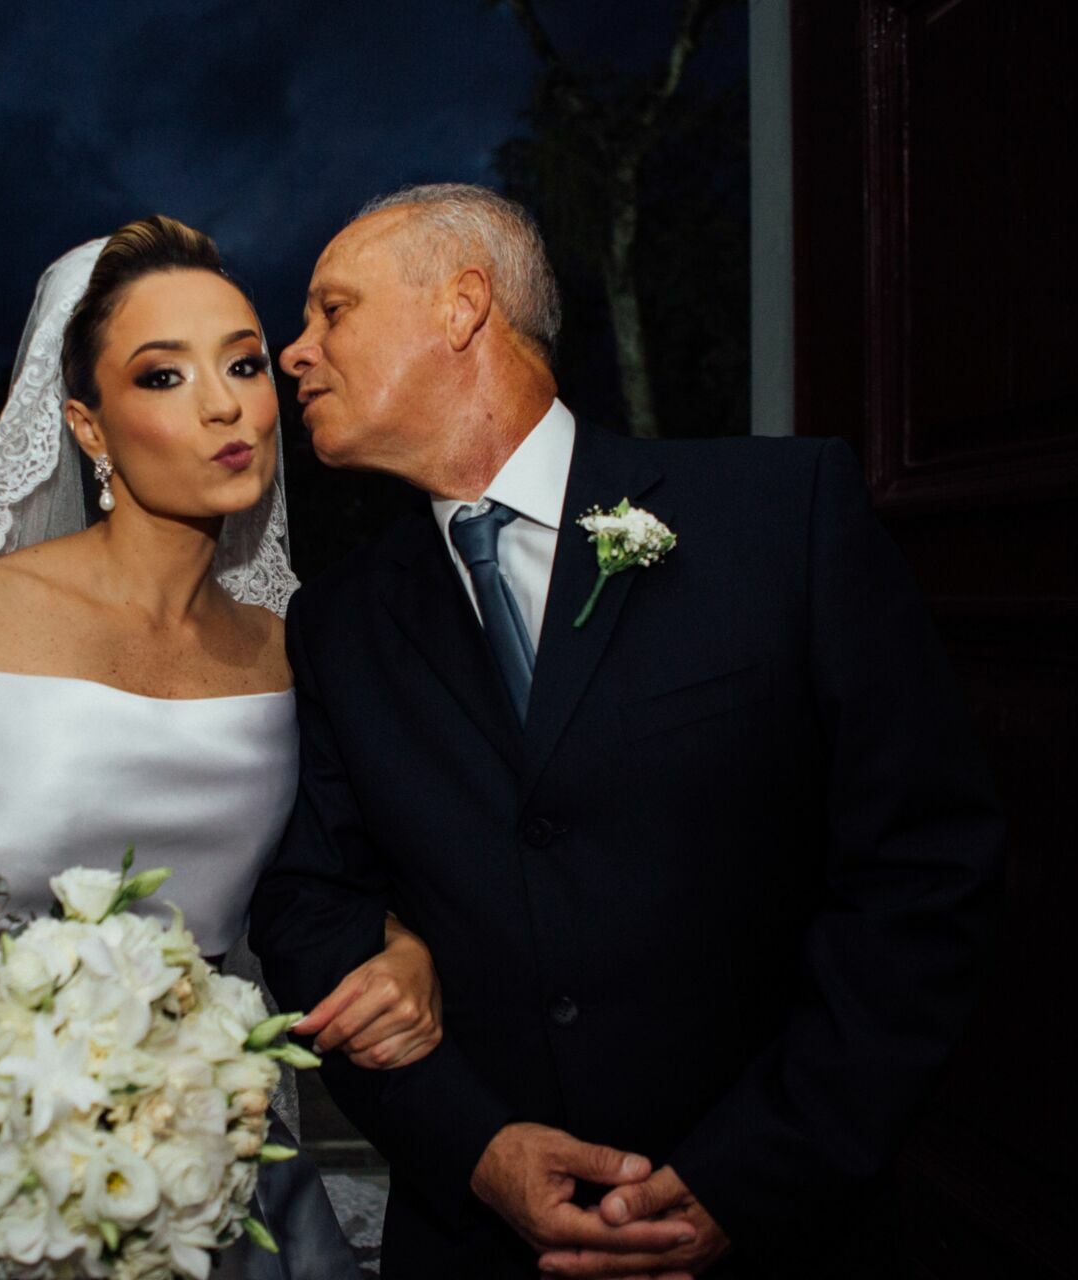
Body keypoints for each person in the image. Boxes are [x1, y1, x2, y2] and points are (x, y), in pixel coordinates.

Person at [248, 183, 1004, 1279]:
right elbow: (310, 902)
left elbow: (925, 872)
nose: (295, 351)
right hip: (478, 1245)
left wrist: (756, 1168)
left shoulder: (781, 517)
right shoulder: (340, 620)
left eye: (332, 310)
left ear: (462, 307)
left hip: (785, 1230)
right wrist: (472, 1142)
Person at [0, 216, 440, 1279]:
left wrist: (405, 945)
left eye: (244, 362)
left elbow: (314, 877)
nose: (224, 402)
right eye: (162, 375)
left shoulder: (292, 655)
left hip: (211, 1168)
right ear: (88, 427)